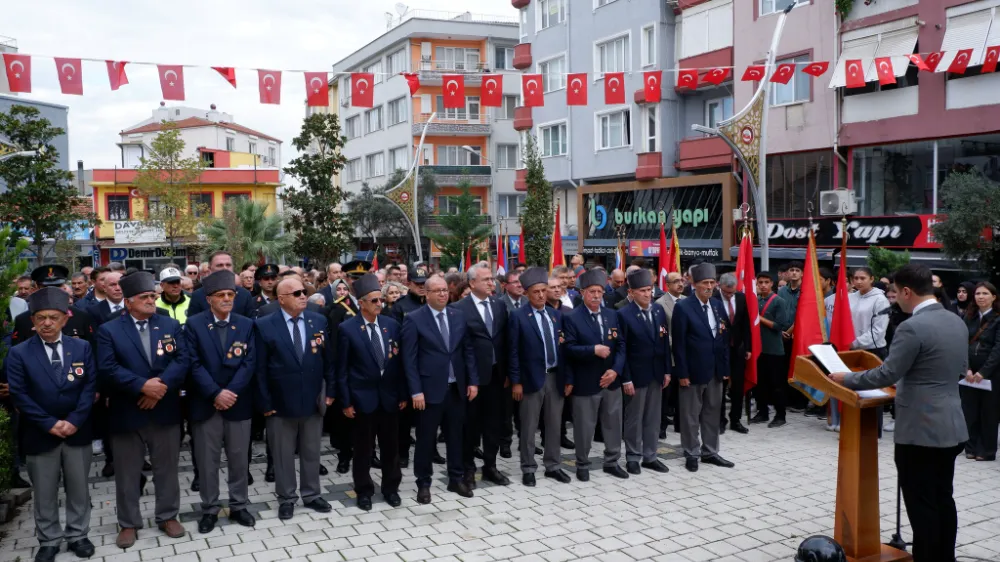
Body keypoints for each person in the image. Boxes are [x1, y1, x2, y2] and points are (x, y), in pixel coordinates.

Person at [829, 264, 968, 562]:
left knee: (921, 504)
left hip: (920, 430)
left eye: (895, 292)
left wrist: (847, 379)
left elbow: (887, 373)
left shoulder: (912, 326)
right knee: (943, 497)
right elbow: (957, 369)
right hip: (952, 425)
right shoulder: (955, 320)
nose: (895, 299)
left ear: (907, 291)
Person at [97, 272, 187, 549]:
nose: (151, 300)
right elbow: (108, 368)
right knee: (127, 471)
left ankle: (168, 515)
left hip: (165, 408)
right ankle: (128, 523)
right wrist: (141, 387)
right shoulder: (109, 330)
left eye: (153, 296)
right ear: (128, 302)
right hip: (128, 411)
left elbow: (183, 359)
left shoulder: (170, 324)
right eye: (145, 297)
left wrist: (159, 387)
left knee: (167, 468)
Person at [7, 288, 97, 562]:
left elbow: (89, 386)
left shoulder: (81, 347)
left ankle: (78, 535)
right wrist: (49, 423)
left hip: (76, 432)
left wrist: (73, 421)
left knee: (78, 489)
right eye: (41, 318)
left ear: (64, 319)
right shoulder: (19, 353)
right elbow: (19, 394)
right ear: (32, 321)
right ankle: (48, 539)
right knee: (44, 493)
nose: (47, 323)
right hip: (40, 433)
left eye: (53, 317)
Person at [255, 277, 335, 520]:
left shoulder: (318, 320)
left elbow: (328, 360)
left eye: (305, 291)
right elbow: (259, 369)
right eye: (297, 293)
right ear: (281, 299)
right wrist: (266, 404)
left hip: (312, 399)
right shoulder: (264, 325)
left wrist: (330, 392)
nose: (303, 296)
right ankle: (287, 497)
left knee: (312, 451)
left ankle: (311, 494)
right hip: (280, 403)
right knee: (282, 454)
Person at [184, 271, 257, 533]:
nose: (227, 299)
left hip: (237, 402)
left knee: (239, 458)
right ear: (209, 299)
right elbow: (192, 363)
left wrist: (230, 392)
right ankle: (210, 509)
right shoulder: (193, 324)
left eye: (230, 294)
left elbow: (249, 364)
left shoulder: (246, 324)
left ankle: (239, 505)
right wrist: (215, 393)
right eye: (221, 295)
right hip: (206, 404)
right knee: (207, 460)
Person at [401, 274, 478, 503]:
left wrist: (472, 381)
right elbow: (409, 359)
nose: (443, 294)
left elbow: (468, 352)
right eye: (438, 290)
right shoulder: (414, 319)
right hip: (428, 391)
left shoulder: (458, 316)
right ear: (426, 293)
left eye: (445, 290)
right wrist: (415, 391)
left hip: (456, 389)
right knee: (426, 440)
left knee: (456, 437)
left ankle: (456, 479)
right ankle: (423, 483)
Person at [335, 274, 406, 510]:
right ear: (362, 303)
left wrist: (403, 394)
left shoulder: (391, 326)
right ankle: (364, 490)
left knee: (390, 448)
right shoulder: (347, 329)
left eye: (381, 300)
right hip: (362, 400)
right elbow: (342, 369)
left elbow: (399, 363)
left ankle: (390, 488)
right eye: (374, 301)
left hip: (389, 399)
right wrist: (345, 402)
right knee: (363, 450)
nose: (379, 304)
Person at [563, 269, 627, 481]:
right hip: (586, 381)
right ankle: (582, 463)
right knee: (584, 427)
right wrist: (593, 349)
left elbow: (621, 346)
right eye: (592, 291)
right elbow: (568, 348)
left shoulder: (612, 315)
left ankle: (612, 461)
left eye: (599, 291)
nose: (597, 296)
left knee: (613, 423)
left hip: (611, 381)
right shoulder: (572, 318)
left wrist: (615, 370)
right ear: (582, 293)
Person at [509, 267, 570, 486]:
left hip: (555, 376)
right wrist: (516, 382)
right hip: (530, 379)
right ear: (527, 293)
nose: (541, 295)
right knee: (529, 425)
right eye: (536, 292)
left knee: (554, 424)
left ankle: (553, 465)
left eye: (544, 291)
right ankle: (528, 467)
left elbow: (564, 349)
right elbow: (513, 352)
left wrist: (568, 378)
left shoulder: (556, 316)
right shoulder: (518, 317)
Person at [671, 263, 734, 473]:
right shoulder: (683, 307)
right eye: (705, 283)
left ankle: (710, 451)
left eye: (712, 283)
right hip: (693, 371)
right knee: (690, 414)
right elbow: (678, 344)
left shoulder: (716, 305)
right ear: (694, 285)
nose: (709, 287)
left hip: (715, 370)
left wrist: (725, 368)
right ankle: (691, 452)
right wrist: (682, 373)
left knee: (713, 412)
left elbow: (723, 338)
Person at [454, 265, 511, 488]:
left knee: (493, 425)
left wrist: (508, 373)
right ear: (471, 283)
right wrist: (469, 379)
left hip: (497, 376)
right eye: (486, 279)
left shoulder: (499, 305)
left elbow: (504, 340)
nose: (491, 283)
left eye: (492, 279)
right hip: (472, 379)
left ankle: (490, 466)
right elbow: (458, 347)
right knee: (470, 426)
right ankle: (468, 469)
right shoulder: (459, 308)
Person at [617, 268, 671, 475]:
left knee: (653, 417)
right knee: (634, 418)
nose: (647, 294)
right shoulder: (623, 314)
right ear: (631, 292)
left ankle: (650, 456)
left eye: (649, 290)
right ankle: (632, 456)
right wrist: (626, 378)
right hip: (635, 375)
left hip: (656, 373)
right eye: (642, 291)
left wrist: (667, 370)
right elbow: (622, 349)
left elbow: (664, 341)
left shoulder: (658, 311)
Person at [961, 282, 1000, 462]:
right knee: (970, 410)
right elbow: (961, 343)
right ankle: (970, 446)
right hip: (969, 372)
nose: (981, 297)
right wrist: (966, 368)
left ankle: (986, 450)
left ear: (994, 297)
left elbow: (998, 349)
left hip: (991, 374)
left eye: (985, 293)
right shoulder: (968, 316)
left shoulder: (997, 318)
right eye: (978, 293)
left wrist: (984, 372)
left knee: (989, 412)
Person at [750, 272, 791, 429]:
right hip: (759, 349)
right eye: (760, 282)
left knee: (777, 384)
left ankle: (781, 415)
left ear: (772, 284)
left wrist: (759, 318)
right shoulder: (757, 301)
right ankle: (762, 412)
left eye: (766, 282)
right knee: (760, 384)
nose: (763, 285)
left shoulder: (778, 301)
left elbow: (780, 326)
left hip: (774, 350)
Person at [714, 273, 751, 434]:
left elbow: (746, 324)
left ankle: (735, 419)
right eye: (726, 292)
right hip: (720, 349)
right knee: (720, 386)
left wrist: (748, 347)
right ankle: (720, 420)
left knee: (737, 386)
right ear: (719, 286)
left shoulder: (741, 298)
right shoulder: (713, 299)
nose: (729, 295)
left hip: (738, 349)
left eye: (732, 292)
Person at [655, 271, 685, 437]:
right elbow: (663, 331)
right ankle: (661, 427)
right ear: (667, 285)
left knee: (683, 393)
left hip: (686, 357)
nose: (680, 284)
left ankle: (681, 425)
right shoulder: (660, 304)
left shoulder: (688, 301)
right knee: (666, 394)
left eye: (681, 280)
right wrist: (680, 344)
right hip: (670, 356)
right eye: (675, 281)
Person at [187, 252, 255, 317]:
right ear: (210, 269)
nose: (225, 268)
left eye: (228, 265)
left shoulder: (244, 295)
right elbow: (193, 325)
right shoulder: (198, 295)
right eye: (220, 265)